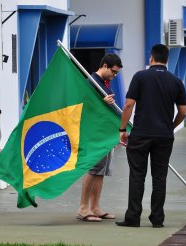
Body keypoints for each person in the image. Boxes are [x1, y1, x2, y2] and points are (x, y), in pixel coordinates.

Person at [116, 44, 186, 228]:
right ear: (167, 60)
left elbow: (129, 105)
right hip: (164, 136)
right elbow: (183, 112)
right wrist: (170, 127)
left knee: (137, 175)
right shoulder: (176, 81)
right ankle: (157, 219)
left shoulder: (140, 77)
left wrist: (122, 130)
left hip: (141, 134)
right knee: (159, 177)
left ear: (151, 58)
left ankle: (133, 218)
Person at [76, 54, 123, 222]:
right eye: (113, 71)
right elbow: (83, 106)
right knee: (93, 168)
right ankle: (83, 207)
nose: (114, 75)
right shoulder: (91, 82)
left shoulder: (103, 83)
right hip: (94, 134)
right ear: (104, 65)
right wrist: (102, 103)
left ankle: (95, 207)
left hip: (104, 134)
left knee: (101, 171)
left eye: (117, 73)